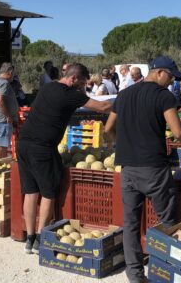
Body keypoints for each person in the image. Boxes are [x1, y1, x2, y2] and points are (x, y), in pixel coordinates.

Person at [105, 56, 181, 283]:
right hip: (154, 169)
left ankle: (135, 275)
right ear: (159, 72)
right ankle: (165, 272)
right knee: (168, 221)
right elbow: (177, 132)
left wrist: (120, 143)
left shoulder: (125, 94)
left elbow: (108, 127)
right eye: (171, 76)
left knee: (130, 223)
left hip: (127, 168)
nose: (172, 82)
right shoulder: (164, 96)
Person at [17, 63, 112, 254]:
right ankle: (41, 238)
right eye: (82, 84)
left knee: (30, 191)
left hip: (23, 144)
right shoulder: (70, 93)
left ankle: (29, 238)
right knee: (48, 192)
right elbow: (102, 106)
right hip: (42, 148)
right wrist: (126, 100)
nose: (82, 88)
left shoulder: (48, 87)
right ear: (74, 78)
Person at [0, 62, 19, 159]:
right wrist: (8, 116)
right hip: (3, 120)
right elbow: (0, 101)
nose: (13, 76)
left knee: (1, 145)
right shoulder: (4, 83)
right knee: (1, 146)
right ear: (9, 72)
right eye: (13, 74)